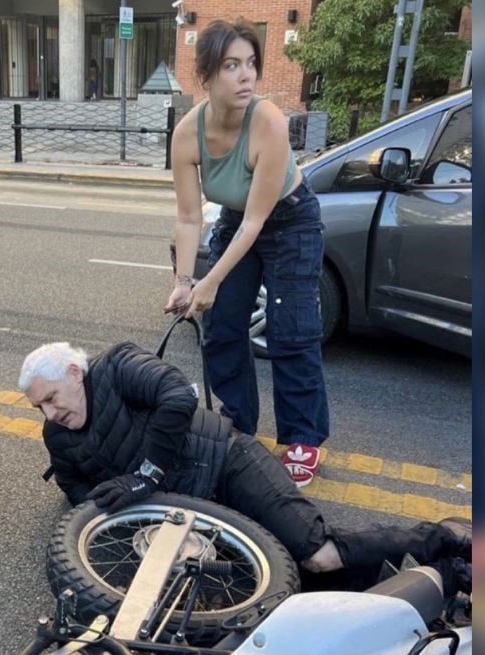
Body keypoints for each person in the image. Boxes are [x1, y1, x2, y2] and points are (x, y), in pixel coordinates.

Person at [19, 341, 471, 593]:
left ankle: (445, 537)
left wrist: (145, 476)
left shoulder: (116, 366)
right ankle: (435, 582)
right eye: (38, 406)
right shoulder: (56, 435)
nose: (49, 413)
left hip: (227, 461)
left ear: (76, 375)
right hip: (192, 509)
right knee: (289, 587)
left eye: (51, 398)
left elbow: (179, 396)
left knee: (319, 554)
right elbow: (74, 488)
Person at [166, 19, 329, 487]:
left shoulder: (269, 122)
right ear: (207, 76)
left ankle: (302, 437)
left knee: (290, 330)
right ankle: (238, 422)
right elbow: (189, 218)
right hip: (237, 220)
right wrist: (183, 282)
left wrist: (208, 281)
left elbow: (260, 222)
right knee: (221, 327)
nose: (246, 76)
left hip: (290, 219)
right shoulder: (186, 134)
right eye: (231, 65)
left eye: (251, 64)